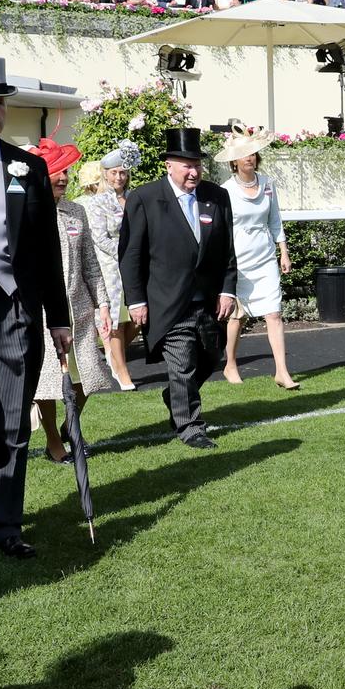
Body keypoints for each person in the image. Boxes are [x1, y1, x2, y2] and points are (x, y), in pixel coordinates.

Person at [0, 56, 71, 555]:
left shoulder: (29, 166)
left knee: (10, 425)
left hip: (14, 312)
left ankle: (2, 528)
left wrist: (60, 319)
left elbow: (48, 248)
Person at [118, 128, 237, 450]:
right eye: (186, 164)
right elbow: (130, 255)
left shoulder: (216, 197)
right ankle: (190, 427)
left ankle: (175, 395)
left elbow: (226, 249)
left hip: (208, 301)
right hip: (167, 301)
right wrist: (136, 299)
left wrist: (228, 290)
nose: (193, 171)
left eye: (197, 164)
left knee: (212, 357)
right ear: (168, 165)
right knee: (182, 362)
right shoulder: (144, 199)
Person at [28, 139, 113, 464]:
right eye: (55, 171)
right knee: (48, 381)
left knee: (89, 375)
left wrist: (102, 304)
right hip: (42, 311)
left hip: (78, 308)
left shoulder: (76, 210)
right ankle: (53, 441)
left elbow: (91, 261)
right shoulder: (27, 210)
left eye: (65, 170)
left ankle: (69, 424)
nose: (63, 177)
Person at [216, 125, 298, 390]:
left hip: (265, 258)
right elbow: (222, 229)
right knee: (237, 316)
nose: (249, 158)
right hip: (238, 260)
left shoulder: (268, 184)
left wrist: (283, 251)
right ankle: (229, 364)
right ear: (234, 161)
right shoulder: (225, 190)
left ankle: (282, 371)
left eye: (252, 153)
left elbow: (275, 220)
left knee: (273, 313)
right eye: (243, 154)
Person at [83, 140, 141, 391]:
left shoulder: (135, 197)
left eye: (123, 172)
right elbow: (100, 238)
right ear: (105, 174)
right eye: (114, 172)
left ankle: (114, 356)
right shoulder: (97, 202)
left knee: (138, 318)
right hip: (111, 265)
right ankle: (121, 369)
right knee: (116, 320)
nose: (119, 177)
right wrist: (126, 254)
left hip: (136, 263)